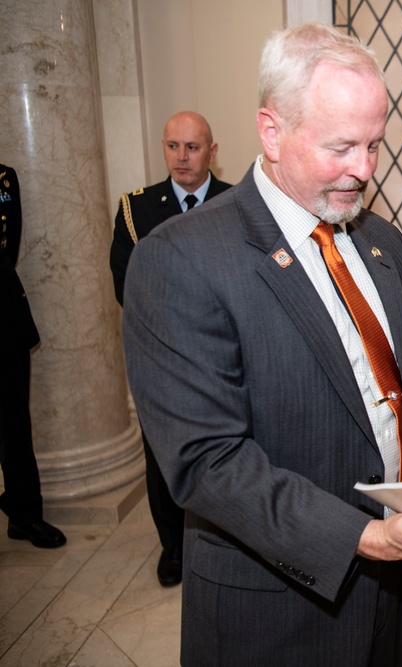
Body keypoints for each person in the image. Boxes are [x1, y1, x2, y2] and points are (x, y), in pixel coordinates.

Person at [120, 23, 402, 665]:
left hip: (392, 594)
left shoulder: (380, 242)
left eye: (374, 145)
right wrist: (366, 536)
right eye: (342, 147)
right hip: (276, 609)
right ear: (272, 131)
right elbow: (208, 463)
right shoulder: (181, 260)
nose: (363, 170)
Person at [109, 111, 232, 587]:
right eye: (173, 146)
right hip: (161, 358)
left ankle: (226, 535)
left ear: (212, 152)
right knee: (163, 453)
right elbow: (127, 287)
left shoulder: (236, 202)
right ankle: (173, 548)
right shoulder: (135, 210)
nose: (182, 157)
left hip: (224, 356)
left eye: (193, 147)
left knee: (226, 449)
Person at [0, 162, 66, 549]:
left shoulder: (4, 177)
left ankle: (24, 514)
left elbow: (9, 247)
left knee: (14, 425)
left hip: (3, 317)